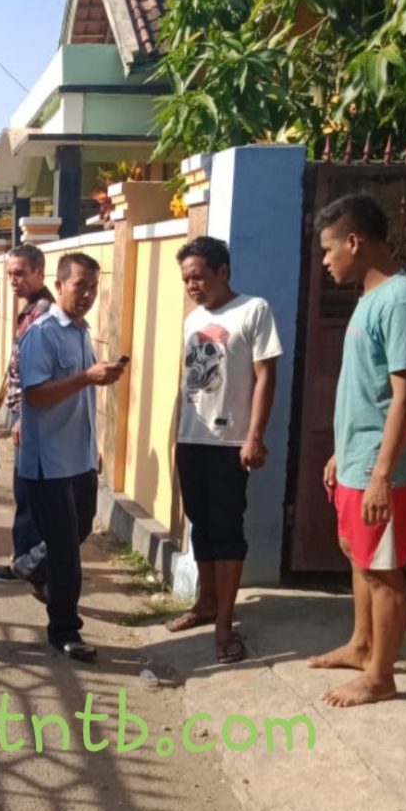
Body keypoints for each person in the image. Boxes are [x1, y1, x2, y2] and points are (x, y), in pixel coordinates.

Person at [309, 194, 406, 707]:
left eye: (328, 249)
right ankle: (362, 645)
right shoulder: (370, 298)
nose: (325, 260)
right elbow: (369, 391)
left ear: (354, 241)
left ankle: (381, 676)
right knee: (357, 552)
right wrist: (343, 453)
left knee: (382, 568)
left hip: (390, 467)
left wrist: (382, 474)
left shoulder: (401, 301)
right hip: (360, 458)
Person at [165, 236, 282, 665]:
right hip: (192, 439)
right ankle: (206, 602)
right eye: (186, 280)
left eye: (198, 277)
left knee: (227, 527)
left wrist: (255, 435)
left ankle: (224, 623)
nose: (191, 286)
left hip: (230, 443)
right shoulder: (193, 319)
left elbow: (266, 376)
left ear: (223, 272)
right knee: (201, 525)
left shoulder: (254, 310)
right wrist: (176, 435)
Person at [18, 253, 126, 660]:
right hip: (48, 462)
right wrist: (86, 377)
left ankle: (30, 564)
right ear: (60, 285)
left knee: (81, 527)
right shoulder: (42, 334)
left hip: (79, 456)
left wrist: (98, 379)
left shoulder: (81, 332)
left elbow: (79, 394)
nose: (88, 295)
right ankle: (65, 630)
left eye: (94, 287)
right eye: (81, 286)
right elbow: (35, 394)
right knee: (66, 552)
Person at [0, 243, 54, 592]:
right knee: (24, 489)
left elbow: (40, 374)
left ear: (39, 273)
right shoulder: (30, 310)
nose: (14, 280)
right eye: (10, 274)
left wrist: (25, 416)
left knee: (31, 492)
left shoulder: (44, 314)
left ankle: (33, 567)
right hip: (22, 411)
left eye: (20, 274)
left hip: (33, 416)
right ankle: (25, 561)